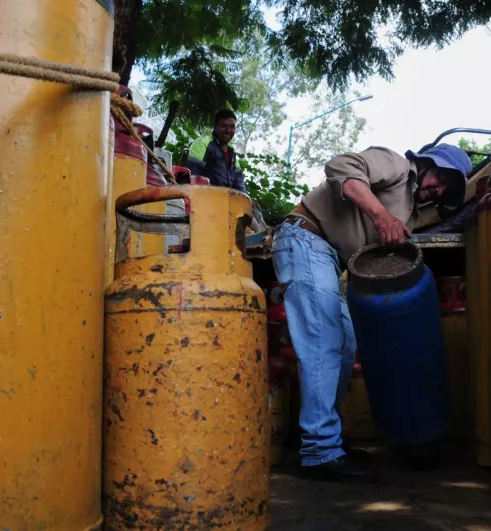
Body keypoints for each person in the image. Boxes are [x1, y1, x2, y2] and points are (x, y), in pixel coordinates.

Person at [271, 144, 472, 482]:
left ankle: (327, 439)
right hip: (303, 238)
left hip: (327, 258)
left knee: (345, 346)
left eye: (447, 187)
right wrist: (381, 215)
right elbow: (339, 166)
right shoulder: (396, 165)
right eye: (440, 176)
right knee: (324, 342)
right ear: (425, 163)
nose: (439, 188)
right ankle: (320, 450)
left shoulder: (410, 208)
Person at [186, 109, 267, 230]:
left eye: (232, 126)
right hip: (208, 201)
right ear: (216, 127)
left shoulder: (233, 155)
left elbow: (240, 187)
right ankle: (261, 238)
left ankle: (266, 239)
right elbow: (191, 176)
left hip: (228, 203)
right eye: (224, 126)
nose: (228, 130)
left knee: (253, 208)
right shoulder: (203, 143)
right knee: (250, 220)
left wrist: (247, 201)